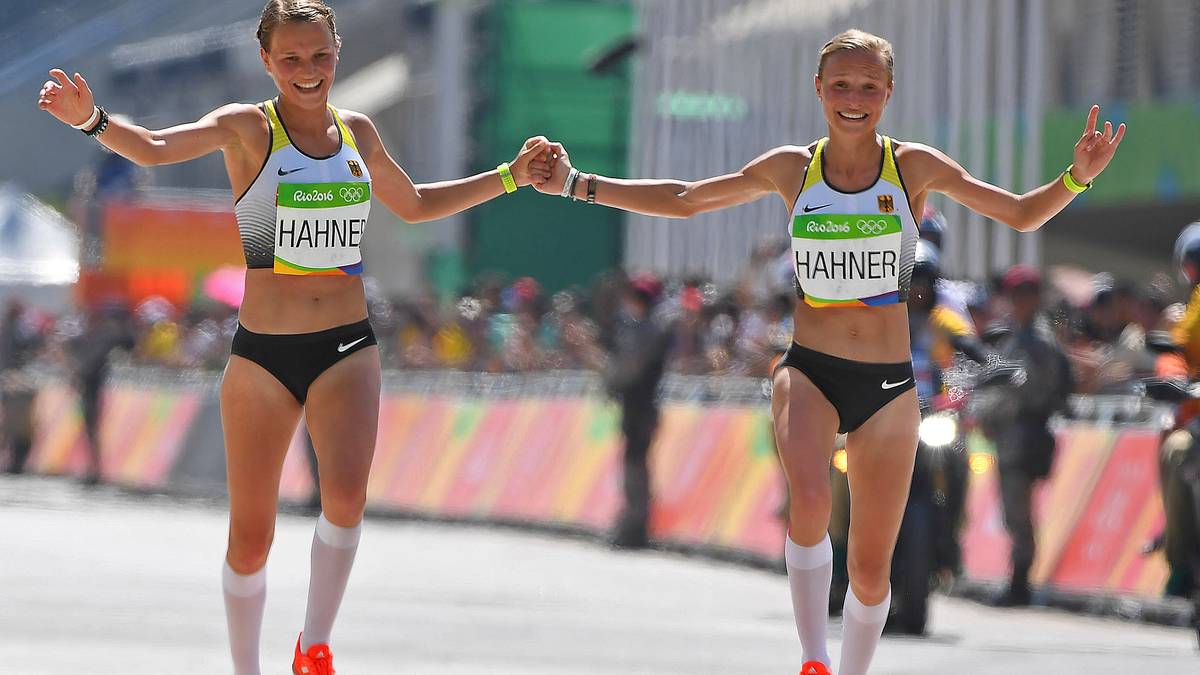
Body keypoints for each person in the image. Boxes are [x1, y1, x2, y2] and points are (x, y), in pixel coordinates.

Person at [535, 28, 1123, 675]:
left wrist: (1076, 176)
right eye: (840, 84)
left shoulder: (914, 167)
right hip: (810, 371)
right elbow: (686, 198)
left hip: (889, 386)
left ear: (888, 93)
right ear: (818, 89)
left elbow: (1019, 212)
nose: (854, 98)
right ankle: (814, 657)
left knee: (872, 566)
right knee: (810, 500)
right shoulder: (793, 168)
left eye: (869, 86)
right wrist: (575, 184)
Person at [38, 1, 552, 672]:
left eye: (320, 56)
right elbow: (159, 147)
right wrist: (93, 121)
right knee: (251, 538)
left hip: (346, 344)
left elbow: (418, 204)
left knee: (345, 497)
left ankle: (314, 643)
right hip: (263, 356)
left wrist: (510, 176)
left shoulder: (358, 132)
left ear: (336, 53)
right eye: (291, 59)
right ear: (267, 63)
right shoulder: (248, 128)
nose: (308, 71)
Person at [974, 265, 1073, 607]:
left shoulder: (1036, 341)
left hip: (1026, 434)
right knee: (1012, 511)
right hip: (1012, 435)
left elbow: (1023, 390)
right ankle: (1017, 579)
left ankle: (1020, 583)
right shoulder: (1018, 335)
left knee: (1019, 513)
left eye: (1023, 295)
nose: (1016, 302)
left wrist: (988, 411)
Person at [603, 273, 674, 549]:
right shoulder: (635, 328)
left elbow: (630, 370)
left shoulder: (649, 331)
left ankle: (636, 524)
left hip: (642, 407)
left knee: (636, 465)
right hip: (635, 407)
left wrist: (611, 378)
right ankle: (632, 521)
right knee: (633, 464)